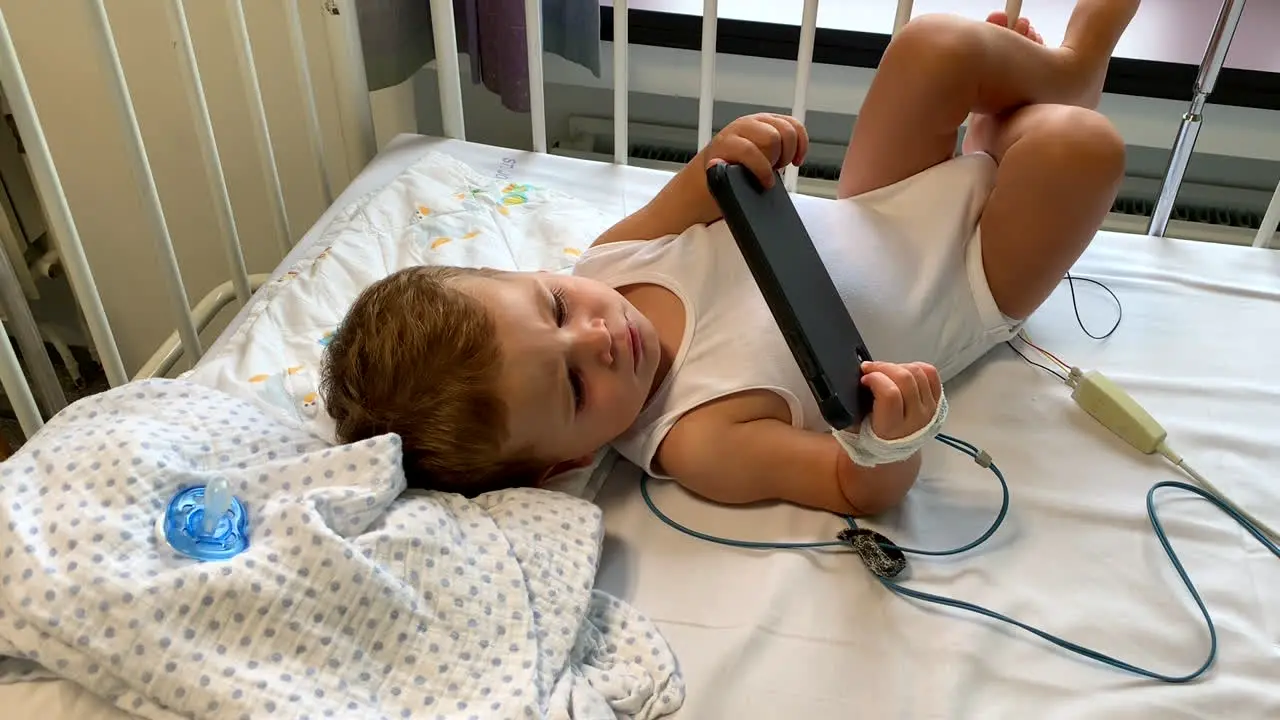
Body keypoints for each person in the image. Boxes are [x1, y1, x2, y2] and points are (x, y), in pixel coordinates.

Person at [320, 1, 1139, 515]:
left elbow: (709, 181)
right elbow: (856, 489)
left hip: (876, 203)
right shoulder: (698, 439)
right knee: (1080, 147)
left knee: (931, 46)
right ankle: (1031, 120)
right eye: (574, 385)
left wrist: (745, 147)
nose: (596, 338)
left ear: (528, 275)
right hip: (967, 281)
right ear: (565, 462)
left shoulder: (610, 263)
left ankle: (1059, 75)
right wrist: (892, 440)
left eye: (554, 308)